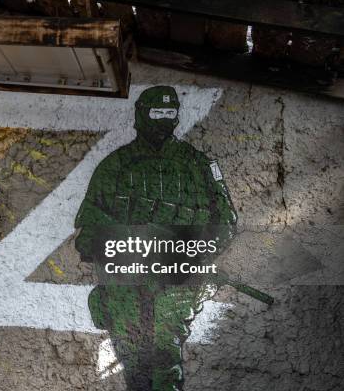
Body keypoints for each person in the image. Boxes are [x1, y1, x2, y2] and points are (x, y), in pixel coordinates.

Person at [75, 86, 237, 390]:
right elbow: (87, 235)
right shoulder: (115, 167)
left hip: (177, 280)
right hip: (126, 282)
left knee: (165, 356)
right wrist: (130, 242)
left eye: (169, 113)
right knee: (135, 366)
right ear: (141, 115)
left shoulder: (198, 166)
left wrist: (190, 254)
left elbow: (226, 223)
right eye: (156, 113)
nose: (163, 120)